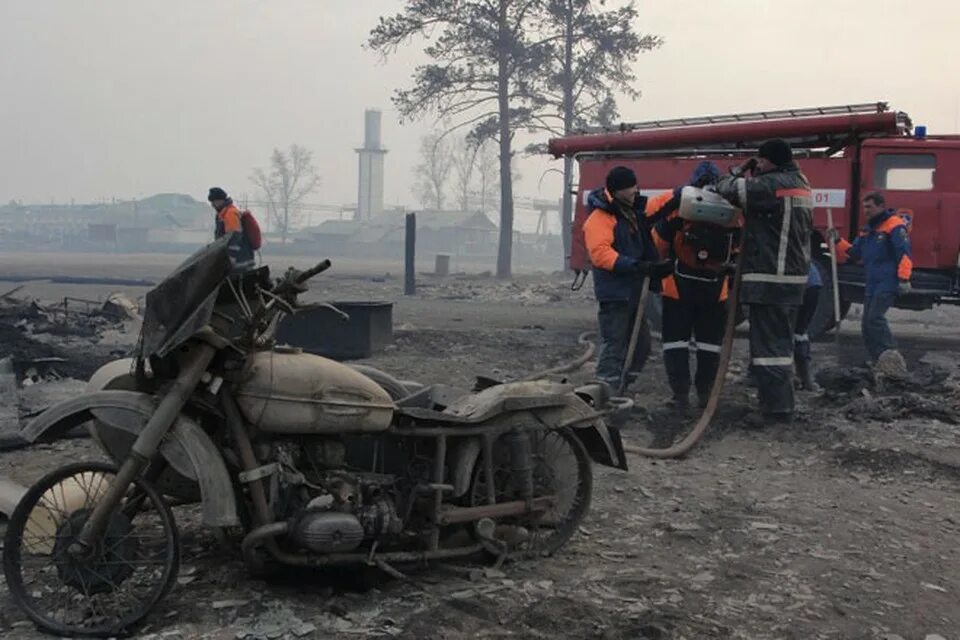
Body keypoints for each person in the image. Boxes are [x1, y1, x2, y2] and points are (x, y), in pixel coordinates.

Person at [715, 139, 813, 422]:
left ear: (767, 161)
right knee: (779, 345)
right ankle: (777, 404)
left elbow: (728, 188)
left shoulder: (771, 186)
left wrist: (738, 169)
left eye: (761, 160)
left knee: (770, 350)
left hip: (771, 279)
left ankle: (776, 410)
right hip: (790, 279)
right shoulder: (800, 181)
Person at [646, 161, 733, 409]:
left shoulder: (680, 208)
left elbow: (659, 244)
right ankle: (705, 395)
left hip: (678, 286)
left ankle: (680, 394)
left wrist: (657, 269)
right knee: (709, 345)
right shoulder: (731, 211)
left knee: (675, 342)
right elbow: (738, 248)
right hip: (716, 290)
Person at [583, 166, 673, 389]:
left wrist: (683, 192)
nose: (636, 190)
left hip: (633, 293)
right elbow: (601, 254)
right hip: (616, 294)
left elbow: (660, 203)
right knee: (614, 346)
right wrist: (639, 266)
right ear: (618, 190)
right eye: (631, 186)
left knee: (641, 346)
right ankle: (605, 394)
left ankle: (622, 387)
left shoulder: (631, 213)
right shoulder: (600, 217)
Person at [828, 192, 912, 361]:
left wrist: (904, 279)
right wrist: (838, 241)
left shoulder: (894, 225)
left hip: (888, 281)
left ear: (881, 206)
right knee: (866, 325)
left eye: (869, 207)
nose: (865, 211)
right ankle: (877, 359)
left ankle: (891, 356)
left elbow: (904, 254)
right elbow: (856, 253)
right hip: (872, 282)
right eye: (864, 207)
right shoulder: (867, 230)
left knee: (875, 319)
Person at [208, 187, 255, 272]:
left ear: (220, 200)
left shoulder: (230, 214)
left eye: (213, 202)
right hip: (240, 258)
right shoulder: (222, 214)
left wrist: (231, 257)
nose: (212, 205)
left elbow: (235, 237)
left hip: (240, 260)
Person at [793, 263, 822, 390]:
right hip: (812, 282)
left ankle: (795, 378)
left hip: (798, 283)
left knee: (787, 332)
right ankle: (806, 379)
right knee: (800, 332)